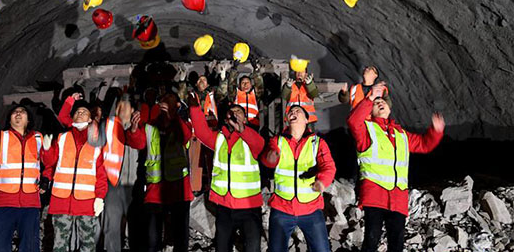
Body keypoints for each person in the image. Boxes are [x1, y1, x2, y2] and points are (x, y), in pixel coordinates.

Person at [347, 82, 444, 252]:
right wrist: (369, 98)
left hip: (398, 197)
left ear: (390, 108)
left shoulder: (401, 134)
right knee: (372, 239)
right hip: (374, 195)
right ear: (371, 111)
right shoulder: (367, 131)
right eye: (376, 103)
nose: (380, 103)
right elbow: (354, 121)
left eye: (382, 101)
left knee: (397, 242)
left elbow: (423, 145)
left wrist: (435, 132)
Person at [190, 98, 265, 252]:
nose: (235, 114)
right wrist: (195, 108)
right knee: (222, 247)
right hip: (224, 205)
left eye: (239, 112)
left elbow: (260, 145)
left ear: (245, 118)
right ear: (226, 119)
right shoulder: (219, 138)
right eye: (232, 113)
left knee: (252, 248)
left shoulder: (251, 138)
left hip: (249, 206)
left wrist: (242, 129)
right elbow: (201, 132)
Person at [261, 106, 336, 252]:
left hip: (311, 209)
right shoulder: (278, 141)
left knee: (321, 250)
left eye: (298, 111)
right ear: (287, 119)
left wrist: (322, 181)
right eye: (291, 112)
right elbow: (268, 159)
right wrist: (269, 159)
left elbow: (329, 166)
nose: (293, 113)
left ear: (307, 119)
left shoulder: (317, 143)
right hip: (282, 208)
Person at [125, 93, 193, 252]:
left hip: (179, 189)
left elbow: (186, 136)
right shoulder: (150, 126)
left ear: (176, 106)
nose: (164, 105)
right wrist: (134, 129)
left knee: (180, 236)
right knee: (152, 238)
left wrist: (174, 117)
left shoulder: (181, 124)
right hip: (155, 190)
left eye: (169, 102)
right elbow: (137, 142)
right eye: (163, 102)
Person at [41, 98, 108, 252]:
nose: (80, 113)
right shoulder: (62, 138)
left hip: (86, 201)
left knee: (88, 244)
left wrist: (100, 196)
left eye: (84, 112)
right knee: (59, 243)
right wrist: (46, 150)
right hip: (61, 200)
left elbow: (101, 172)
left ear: (90, 119)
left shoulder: (98, 142)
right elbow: (51, 163)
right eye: (77, 111)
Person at [0, 105, 44, 252]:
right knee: (1, 244)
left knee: (30, 246)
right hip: (5, 201)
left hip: (30, 202)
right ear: (9, 119)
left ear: (28, 119)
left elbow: (50, 160)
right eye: (15, 112)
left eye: (22, 111)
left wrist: (47, 177)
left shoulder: (38, 138)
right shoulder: (2, 137)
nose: (18, 114)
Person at [176, 62, 226, 193]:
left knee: (212, 160)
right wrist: (182, 80)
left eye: (204, 79)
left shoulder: (213, 94)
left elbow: (224, 92)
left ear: (208, 84)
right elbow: (181, 97)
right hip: (195, 133)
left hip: (212, 131)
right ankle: (196, 188)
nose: (201, 81)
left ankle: (213, 186)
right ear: (196, 84)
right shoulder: (192, 95)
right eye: (199, 80)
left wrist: (223, 76)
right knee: (195, 161)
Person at [225, 60, 264, 129]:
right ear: (239, 85)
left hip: (253, 125)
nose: (245, 84)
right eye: (243, 83)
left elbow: (259, 84)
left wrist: (256, 69)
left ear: (251, 85)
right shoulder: (235, 94)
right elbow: (231, 84)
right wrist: (234, 69)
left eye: (247, 82)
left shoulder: (255, 94)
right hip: (238, 124)